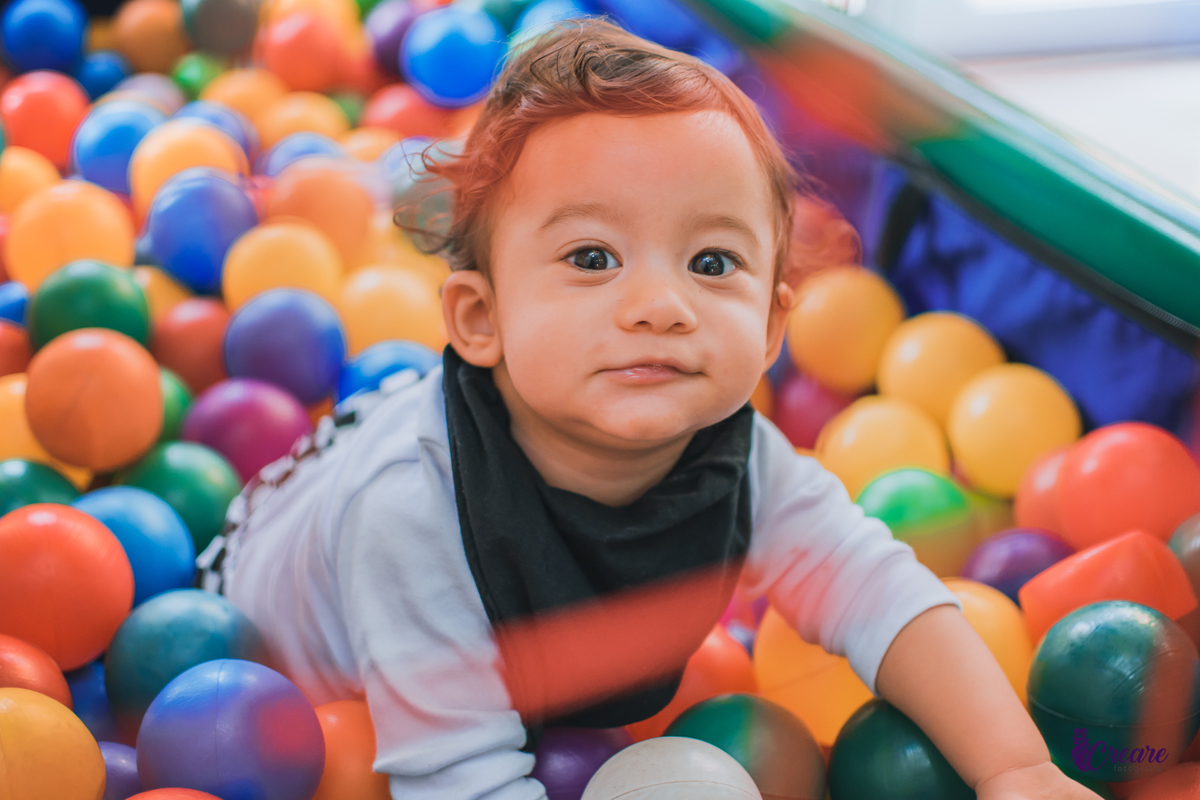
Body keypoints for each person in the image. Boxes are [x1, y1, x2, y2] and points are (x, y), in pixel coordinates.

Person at [210, 18, 1102, 800]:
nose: (659, 305)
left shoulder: (738, 459)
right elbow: (460, 776)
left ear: (768, 329)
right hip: (271, 633)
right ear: (481, 320)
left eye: (711, 264)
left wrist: (1015, 768)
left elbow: (879, 591)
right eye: (594, 257)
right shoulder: (413, 521)